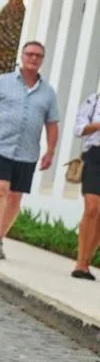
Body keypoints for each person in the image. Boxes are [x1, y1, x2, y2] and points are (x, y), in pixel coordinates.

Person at [0, 39, 59, 260]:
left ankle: (0, 238)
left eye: (38, 56)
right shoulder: (2, 82)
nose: (33, 58)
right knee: (0, 189)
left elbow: (52, 124)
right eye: (29, 54)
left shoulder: (48, 93)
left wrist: (50, 151)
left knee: (14, 197)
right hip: (1, 146)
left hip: (28, 152)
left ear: (42, 61)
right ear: (22, 56)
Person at [73, 81, 100, 281]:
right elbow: (79, 129)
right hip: (95, 156)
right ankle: (80, 263)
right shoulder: (94, 100)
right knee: (92, 208)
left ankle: (87, 263)